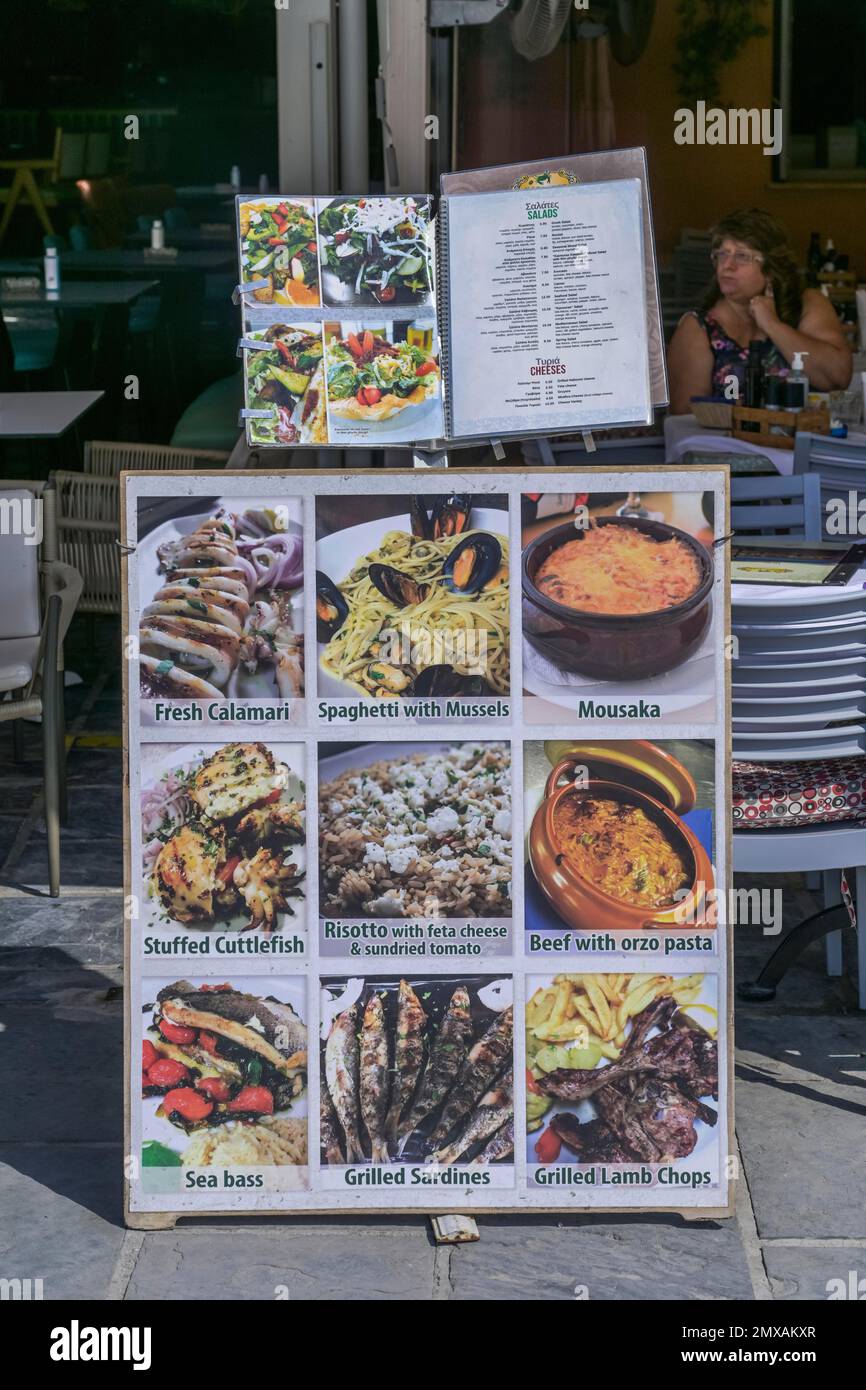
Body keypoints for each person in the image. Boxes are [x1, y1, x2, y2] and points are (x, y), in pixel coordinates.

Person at [667, 208, 852, 415]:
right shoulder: (699, 328)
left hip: (799, 443)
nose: (727, 265)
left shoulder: (807, 304)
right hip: (724, 445)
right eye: (722, 254)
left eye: (742, 256)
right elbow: (686, 416)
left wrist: (773, 325)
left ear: (772, 268)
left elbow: (838, 378)